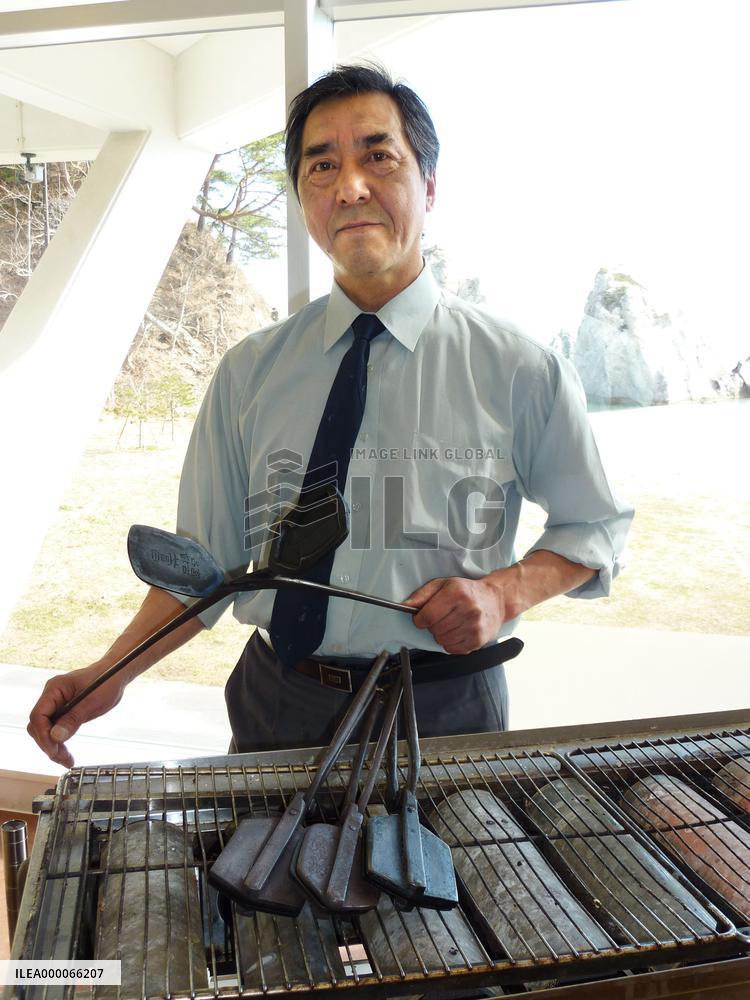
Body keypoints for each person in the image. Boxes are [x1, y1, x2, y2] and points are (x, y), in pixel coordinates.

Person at [28, 63, 633, 767]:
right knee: (252, 879)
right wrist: (106, 676)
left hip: (445, 711)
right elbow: (207, 571)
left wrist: (502, 593)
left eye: (378, 156)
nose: (350, 185)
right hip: (276, 704)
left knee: (461, 882)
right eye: (322, 166)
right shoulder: (248, 373)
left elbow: (595, 526)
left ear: (428, 184)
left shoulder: (520, 368)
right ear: (303, 199)